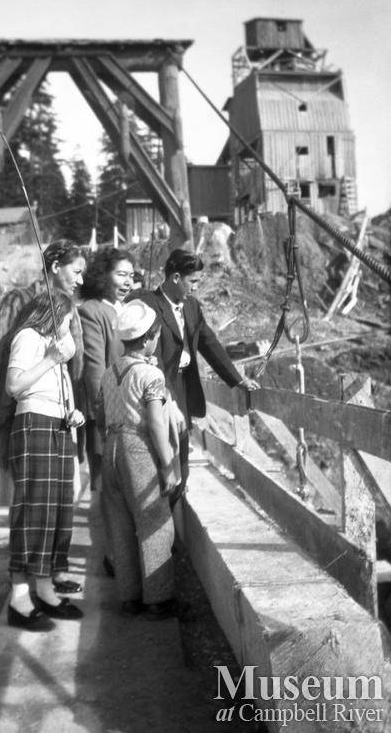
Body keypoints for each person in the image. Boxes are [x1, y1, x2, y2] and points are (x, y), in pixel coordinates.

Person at [130, 248, 259, 502]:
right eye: (194, 281)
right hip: (159, 383)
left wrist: (237, 379)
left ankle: (178, 504)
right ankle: (160, 513)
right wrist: (165, 394)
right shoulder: (150, 305)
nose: (197, 287)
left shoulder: (192, 306)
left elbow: (210, 344)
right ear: (176, 277)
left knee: (182, 446)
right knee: (161, 447)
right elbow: (146, 357)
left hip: (184, 384)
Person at [96, 299, 188, 620]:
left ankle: (129, 597)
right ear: (150, 337)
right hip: (137, 447)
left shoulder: (110, 374)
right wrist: (168, 467)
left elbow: (100, 414)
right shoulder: (151, 374)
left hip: (111, 447)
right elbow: (156, 423)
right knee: (155, 521)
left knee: (120, 522)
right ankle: (159, 599)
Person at [0, 239, 86, 472]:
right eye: (77, 272)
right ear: (56, 266)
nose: (81, 281)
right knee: (27, 498)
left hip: (61, 414)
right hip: (19, 419)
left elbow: (74, 366)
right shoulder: (17, 301)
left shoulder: (70, 308)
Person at [5, 289, 85, 631]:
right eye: (67, 321)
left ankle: (43, 588)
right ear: (53, 316)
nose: (68, 329)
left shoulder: (56, 352)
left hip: (56, 428)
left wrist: (72, 413)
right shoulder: (28, 338)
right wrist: (51, 360)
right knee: (34, 510)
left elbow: (53, 392)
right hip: (33, 426)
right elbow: (14, 385)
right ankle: (19, 598)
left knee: (56, 511)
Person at [78, 248, 135, 489]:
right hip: (107, 412)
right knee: (107, 485)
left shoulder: (132, 309)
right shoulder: (92, 311)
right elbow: (94, 371)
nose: (128, 282)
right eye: (121, 275)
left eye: (132, 276)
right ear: (103, 276)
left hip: (135, 409)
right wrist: (103, 416)